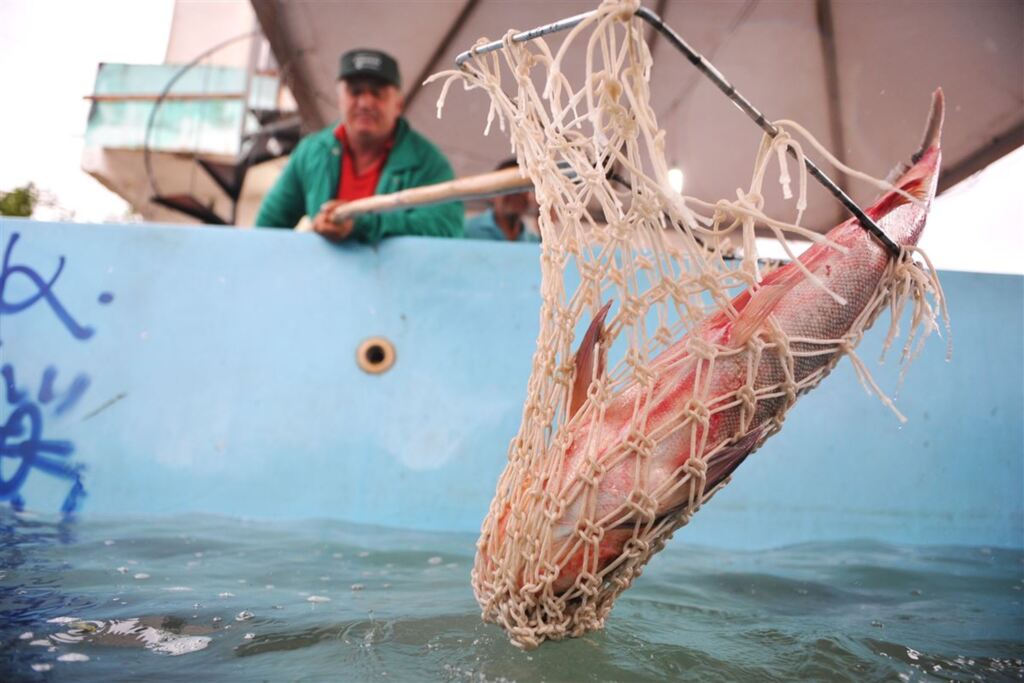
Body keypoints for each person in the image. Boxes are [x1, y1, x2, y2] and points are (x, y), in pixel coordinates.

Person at [254, 48, 462, 241]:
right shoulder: (311, 152)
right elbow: (267, 227)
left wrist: (361, 225)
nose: (365, 103)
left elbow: (447, 229)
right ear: (339, 100)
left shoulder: (428, 163)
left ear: (398, 104)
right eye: (355, 92)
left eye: (377, 93)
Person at [464, 159, 541, 243]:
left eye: (522, 187)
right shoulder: (465, 231)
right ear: (491, 194)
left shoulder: (534, 241)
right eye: (508, 186)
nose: (516, 192)